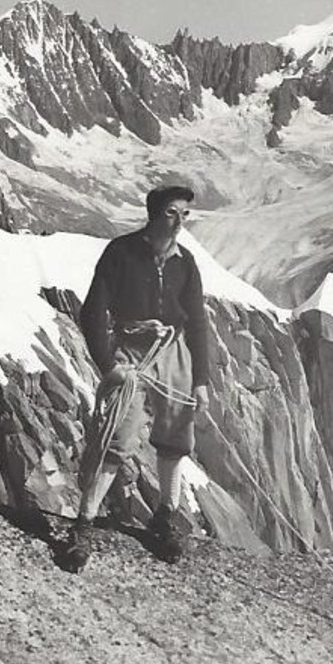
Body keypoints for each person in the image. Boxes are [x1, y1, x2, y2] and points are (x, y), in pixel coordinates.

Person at [63, 185, 212, 572]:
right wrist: (107, 363)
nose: (179, 222)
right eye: (172, 213)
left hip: (174, 353)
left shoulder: (185, 262)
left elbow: (197, 321)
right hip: (132, 352)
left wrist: (200, 379)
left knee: (175, 437)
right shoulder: (121, 253)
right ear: (153, 214)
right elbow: (94, 310)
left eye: (184, 215)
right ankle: (85, 523)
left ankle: (166, 515)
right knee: (117, 436)